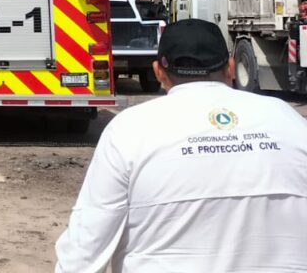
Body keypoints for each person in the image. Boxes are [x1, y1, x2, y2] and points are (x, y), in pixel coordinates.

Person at [54, 19, 307, 272]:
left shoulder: (130, 130)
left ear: (158, 72)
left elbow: (83, 251)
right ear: (230, 68)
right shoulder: (289, 120)